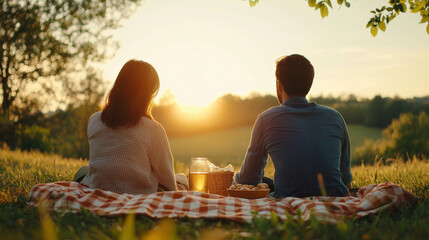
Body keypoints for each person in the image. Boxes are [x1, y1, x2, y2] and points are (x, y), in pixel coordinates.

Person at [234, 54, 352, 198]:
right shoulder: (335, 117)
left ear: (280, 84)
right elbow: (346, 180)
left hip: (287, 197)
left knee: (265, 183)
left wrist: (232, 179)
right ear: (309, 83)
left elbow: (249, 179)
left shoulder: (266, 119)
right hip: (336, 196)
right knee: (268, 182)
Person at [74, 60, 187, 194]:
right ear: (147, 94)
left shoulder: (94, 120)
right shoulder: (153, 129)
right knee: (183, 179)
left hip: (99, 189)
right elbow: (168, 180)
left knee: (83, 171)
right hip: (138, 194)